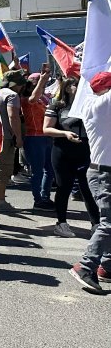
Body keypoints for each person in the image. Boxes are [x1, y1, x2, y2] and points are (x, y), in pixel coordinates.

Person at [69, 71, 111, 294]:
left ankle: (107, 266)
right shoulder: (103, 103)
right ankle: (86, 266)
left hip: (100, 171)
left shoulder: (91, 103)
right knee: (109, 223)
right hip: (105, 173)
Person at [42, 78, 99, 237]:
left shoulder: (90, 105)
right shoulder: (56, 106)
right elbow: (46, 129)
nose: (81, 87)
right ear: (67, 88)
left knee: (88, 189)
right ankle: (61, 223)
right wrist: (65, 133)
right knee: (64, 187)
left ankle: (96, 224)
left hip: (85, 151)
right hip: (62, 151)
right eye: (76, 85)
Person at [0, 70, 27, 212]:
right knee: (3, 169)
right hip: (5, 137)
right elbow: (13, 116)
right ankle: (0, 201)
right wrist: (18, 136)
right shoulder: (12, 95)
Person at [20, 71, 54, 210]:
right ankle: (38, 200)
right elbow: (33, 97)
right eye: (35, 85)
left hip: (46, 136)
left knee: (50, 170)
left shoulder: (43, 99)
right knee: (37, 171)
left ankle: (45, 197)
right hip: (34, 138)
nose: (41, 87)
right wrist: (42, 80)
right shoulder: (25, 99)